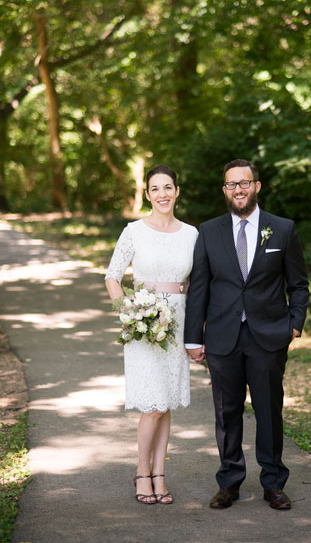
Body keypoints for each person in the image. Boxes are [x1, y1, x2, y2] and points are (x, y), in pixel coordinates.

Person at [183, 159, 309, 511]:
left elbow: (298, 284)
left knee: (269, 411)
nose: (238, 189)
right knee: (226, 414)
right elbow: (199, 289)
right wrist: (193, 338)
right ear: (224, 191)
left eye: (244, 183)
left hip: (269, 335)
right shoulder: (208, 232)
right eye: (231, 185)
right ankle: (229, 482)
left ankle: (273, 483)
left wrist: (294, 325)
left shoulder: (282, 229)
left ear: (257, 186)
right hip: (223, 336)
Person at [105, 165, 199, 505]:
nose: (162, 193)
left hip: (178, 322)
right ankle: (141, 473)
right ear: (147, 195)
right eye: (155, 188)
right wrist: (129, 315)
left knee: (167, 401)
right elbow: (113, 277)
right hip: (143, 324)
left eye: (168, 187)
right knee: (154, 404)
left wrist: (197, 332)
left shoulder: (191, 234)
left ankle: (160, 474)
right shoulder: (133, 231)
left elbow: (199, 284)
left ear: (177, 192)